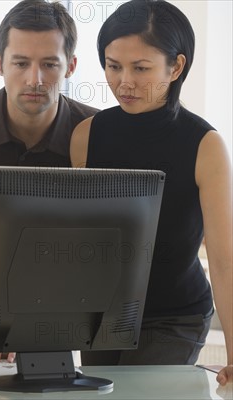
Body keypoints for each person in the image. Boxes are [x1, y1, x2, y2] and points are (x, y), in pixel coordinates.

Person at [70, 0, 232, 385]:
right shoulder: (86, 136)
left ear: (176, 67)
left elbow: (225, 263)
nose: (124, 82)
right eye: (113, 66)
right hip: (104, 313)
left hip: (176, 315)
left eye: (141, 68)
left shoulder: (205, 145)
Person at [0, 0, 98, 199]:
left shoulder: (99, 132)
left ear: (71, 67)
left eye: (49, 64)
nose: (34, 80)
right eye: (21, 64)